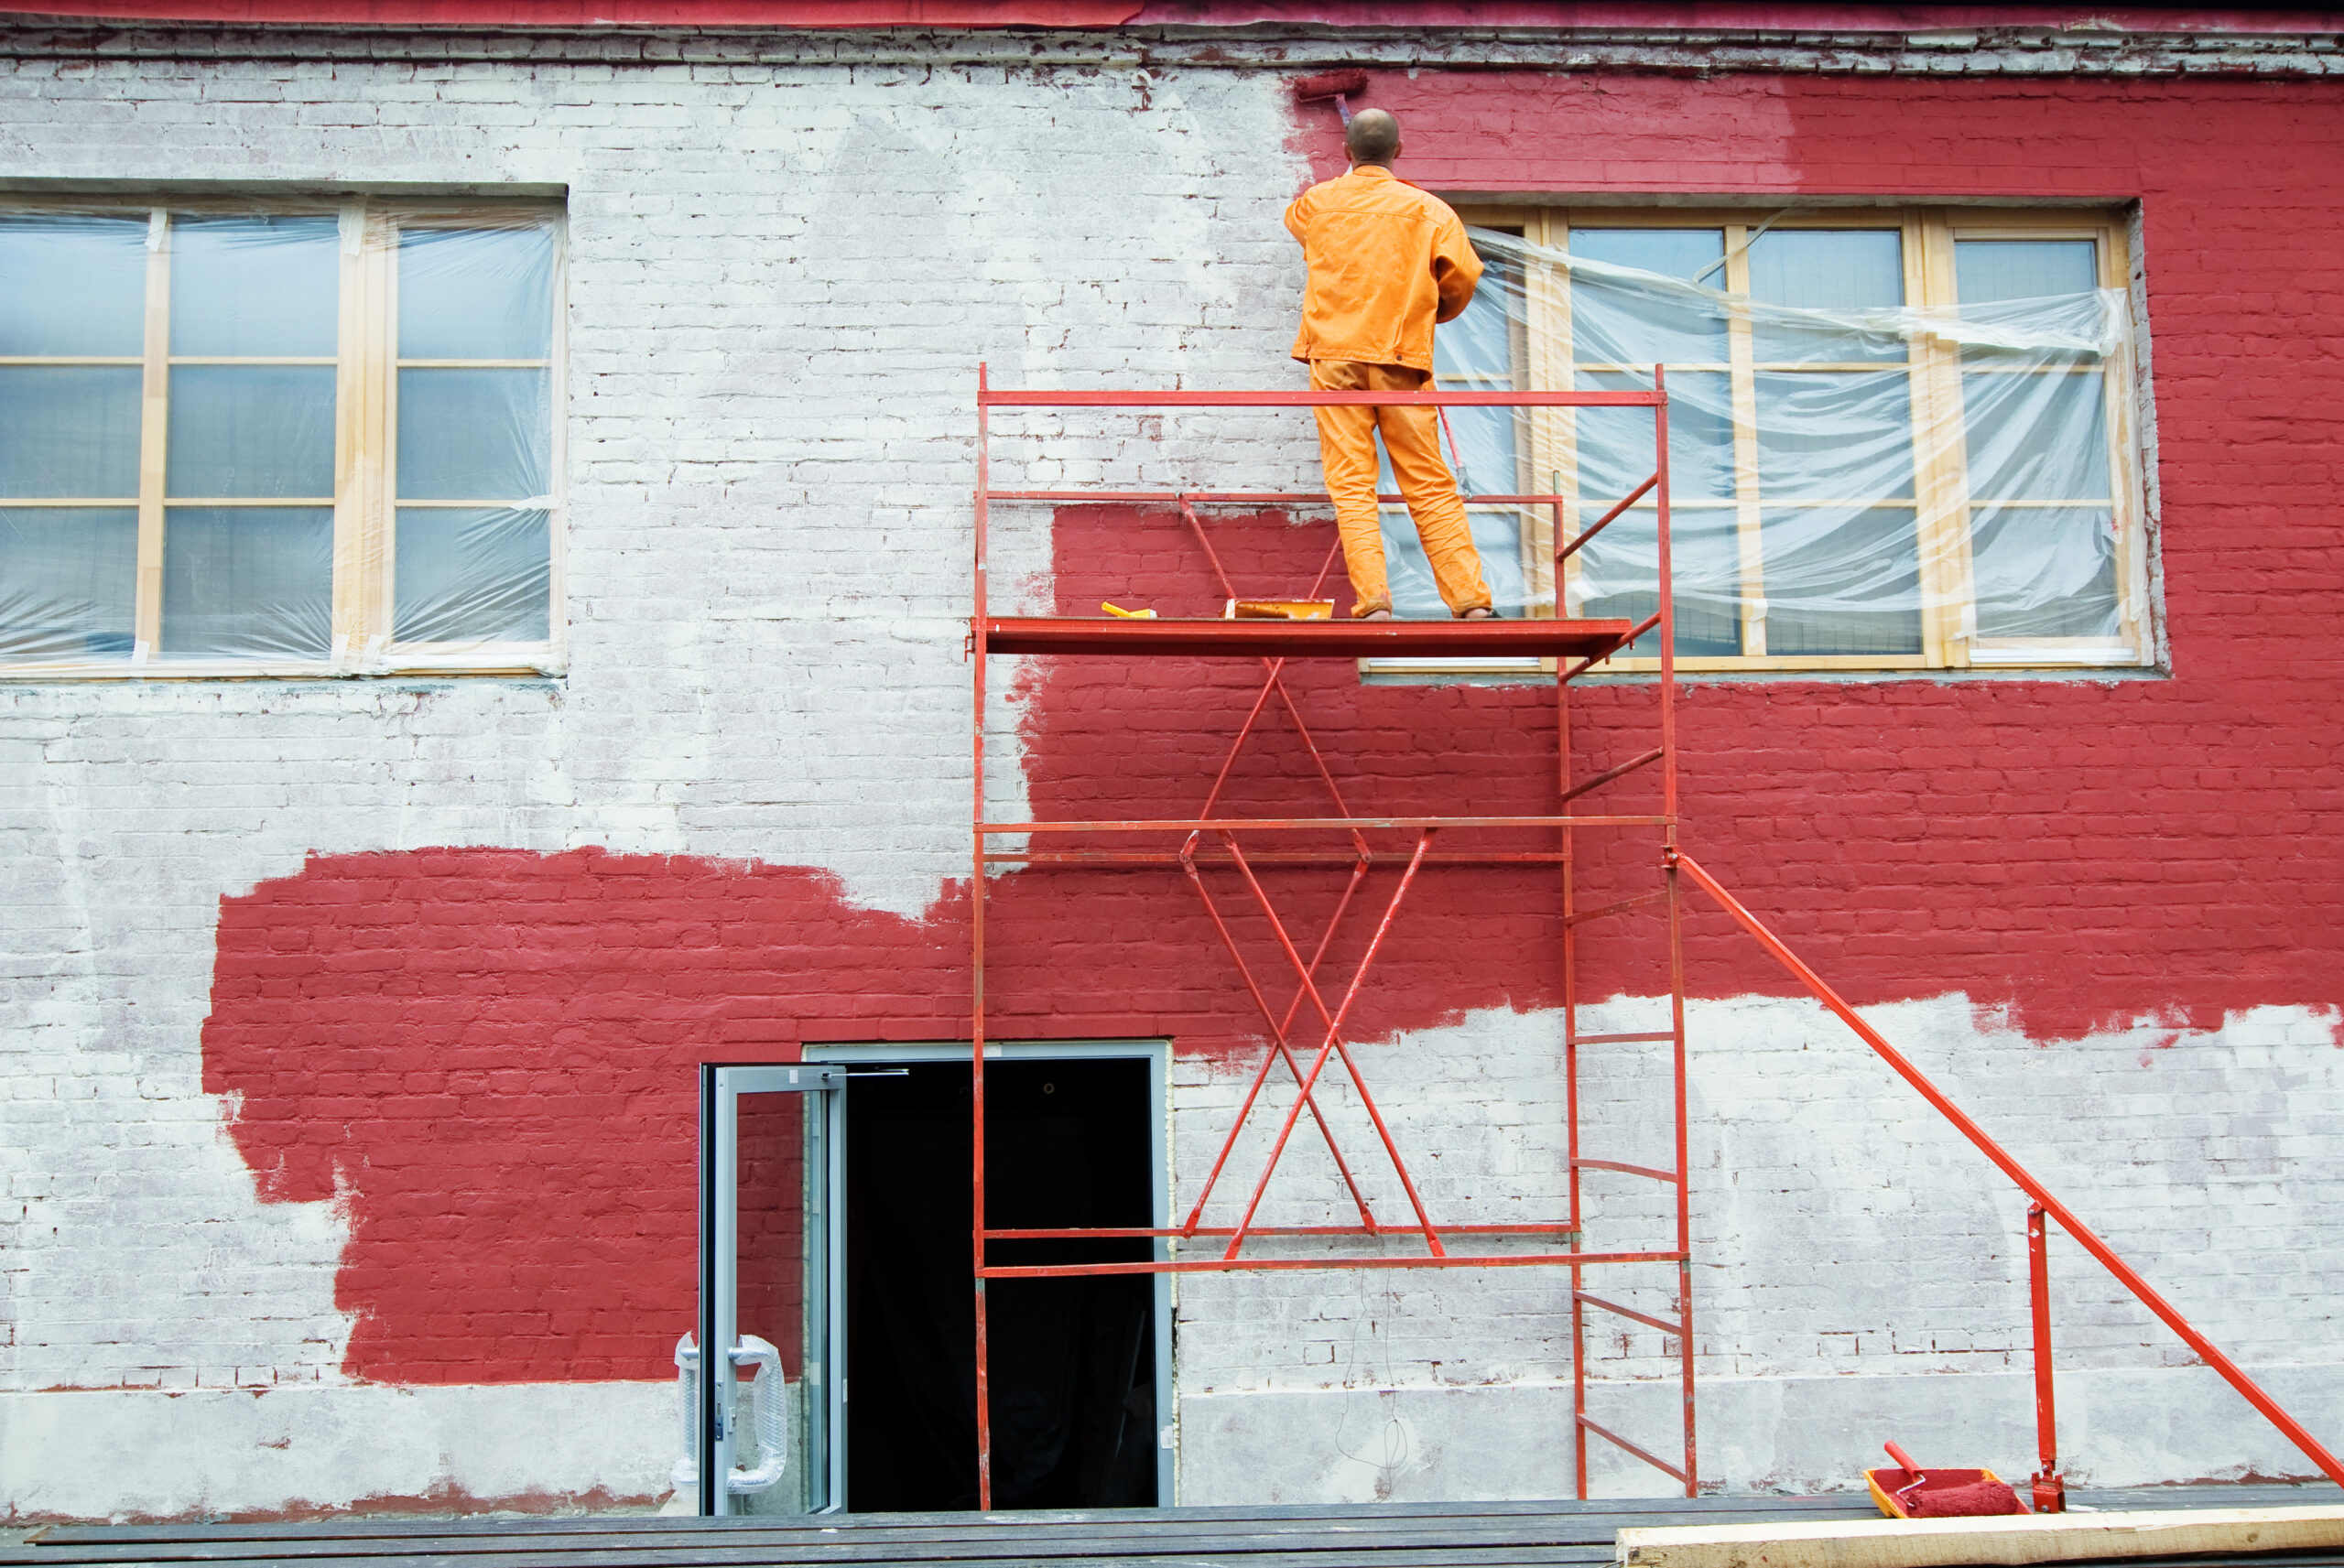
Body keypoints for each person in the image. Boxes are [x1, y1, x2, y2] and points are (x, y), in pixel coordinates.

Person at [1284, 107, 1494, 621]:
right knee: (1427, 480)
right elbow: (1462, 276)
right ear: (1399, 152)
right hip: (1401, 356)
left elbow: (1299, 224)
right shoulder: (1430, 211)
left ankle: (1375, 600)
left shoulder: (1318, 202)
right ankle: (1469, 602)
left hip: (1334, 359)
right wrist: (1431, 312)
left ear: (1346, 153)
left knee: (1352, 484)